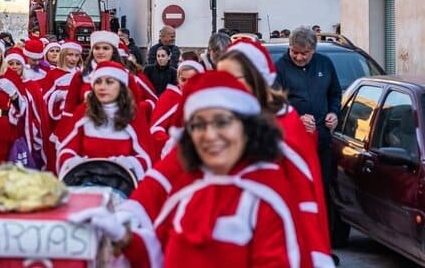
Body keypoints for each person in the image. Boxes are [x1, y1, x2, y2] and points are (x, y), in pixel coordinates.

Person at [72, 71, 304, 267]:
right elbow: (159, 256)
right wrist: (123, 236)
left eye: (222, 122)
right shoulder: (186, 190)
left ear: (247, 127)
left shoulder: (266, 196)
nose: (210, 135)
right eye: (198, 124)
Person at [219, 38, 332, 266]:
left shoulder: (285, 122)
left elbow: (306, 193)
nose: (224, 84)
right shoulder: (213, 118)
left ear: (257, 79)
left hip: (272, 233)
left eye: (233, 78)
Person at [274, 26, 341, 262]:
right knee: (295, 193)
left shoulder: (325, 64)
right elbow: (273, 105)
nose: (299, 57)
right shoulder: (280, 69)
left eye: (304, 53)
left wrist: (334, 113)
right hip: (292, 146)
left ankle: (324, 247)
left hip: (322, 141)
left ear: (313, 50)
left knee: (321, 191)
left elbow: (335, 94)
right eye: (295, 52)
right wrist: (295, 118)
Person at [56, 61, 154, 182]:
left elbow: (146, 156)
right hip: (86, 183)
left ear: (121, 86)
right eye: (98, 82)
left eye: (109, 82)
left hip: (122, 185)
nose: (102, 87)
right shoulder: (83, 112)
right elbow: (67, 148)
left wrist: (127, 164)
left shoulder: (133, 115)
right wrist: (75, 163)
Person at [149, 59, 204, 157]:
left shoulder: (205, 98)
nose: (187, 84)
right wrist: (171, 144)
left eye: (192, 80)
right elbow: (155, 128)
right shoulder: (169, 97)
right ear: (178, 78)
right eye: (183, 80)